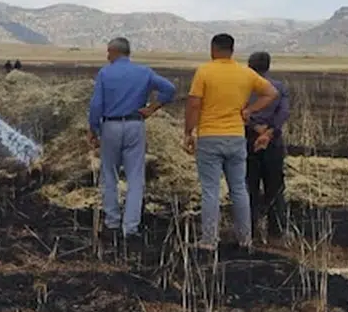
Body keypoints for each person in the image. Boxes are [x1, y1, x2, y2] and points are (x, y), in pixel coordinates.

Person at [184, 33, 279, 250]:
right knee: (239, 188)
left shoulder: (205, 71)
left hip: (210, 137)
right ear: (232, 50)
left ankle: (209, 240)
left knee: (210, 190)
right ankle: (245, 239)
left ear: (213, 49)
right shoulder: (245, 72)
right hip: (236, 137)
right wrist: (249, 110)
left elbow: (194, 105)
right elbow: (271, 93)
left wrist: (189, 132)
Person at [87, 36, 177, 237]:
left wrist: (94, 129)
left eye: (108, 52)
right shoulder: (144, 72)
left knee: (109, 174)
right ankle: (130, 227)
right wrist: (153, 107)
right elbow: (169, 89)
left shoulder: (105, 73)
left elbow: (96, 105)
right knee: (135, 176)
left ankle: (111, 222)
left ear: (114, 51)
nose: (107, 55)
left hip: (110, 126)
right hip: (136, 124)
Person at [244, 50, 290, 241]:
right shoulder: (280, 88)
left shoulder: (243, 88)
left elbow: (239, 113)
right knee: (276, 187)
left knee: (248, 186)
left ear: (249, 66)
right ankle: (277, 231)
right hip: (273, 143)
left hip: (247, 141)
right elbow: (283, 113)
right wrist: (269, 132)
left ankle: (250, 229)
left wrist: (256, 128)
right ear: (268, 66)